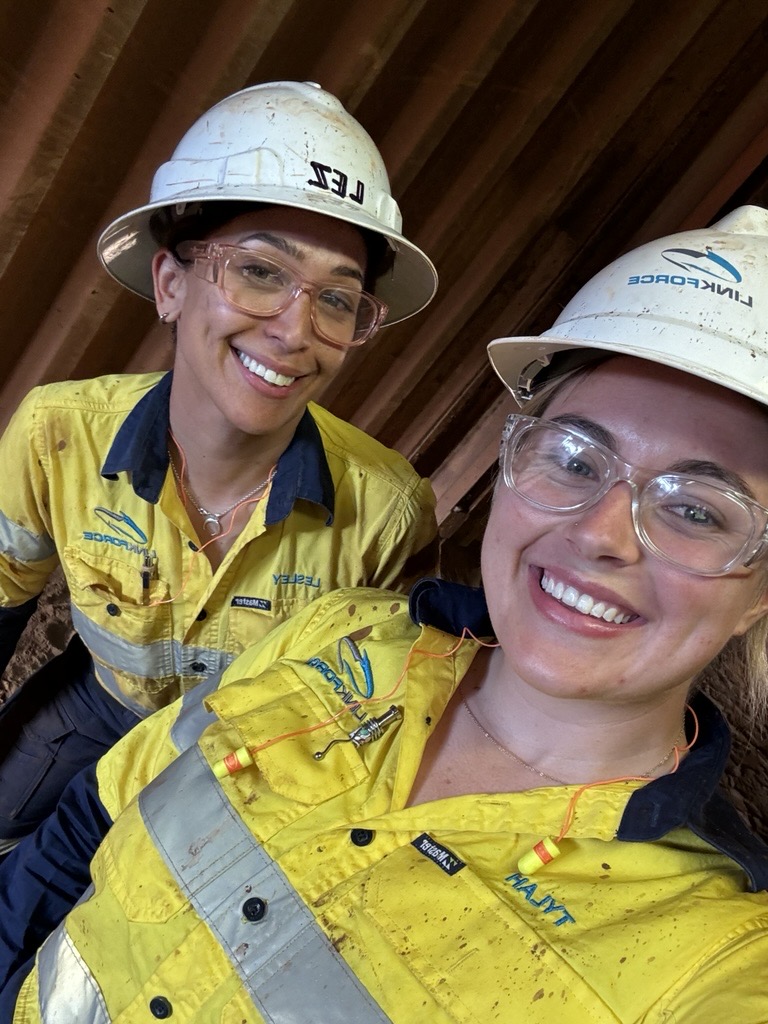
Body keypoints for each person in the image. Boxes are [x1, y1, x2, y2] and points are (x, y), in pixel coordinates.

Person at [3, 206, 768, 1022]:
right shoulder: (337, 633)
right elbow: (97, 820)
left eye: (699, 510)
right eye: (573, 456)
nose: (599, 532)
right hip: (97, 702)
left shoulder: (712, 962)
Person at [0, 80, 439, 856]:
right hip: (99, 703)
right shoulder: (56, 434)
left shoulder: (387, 512)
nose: (296, 332)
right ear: (171, 284)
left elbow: (363, 710)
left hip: (236, 761)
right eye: (261, 272)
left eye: (337, 300)